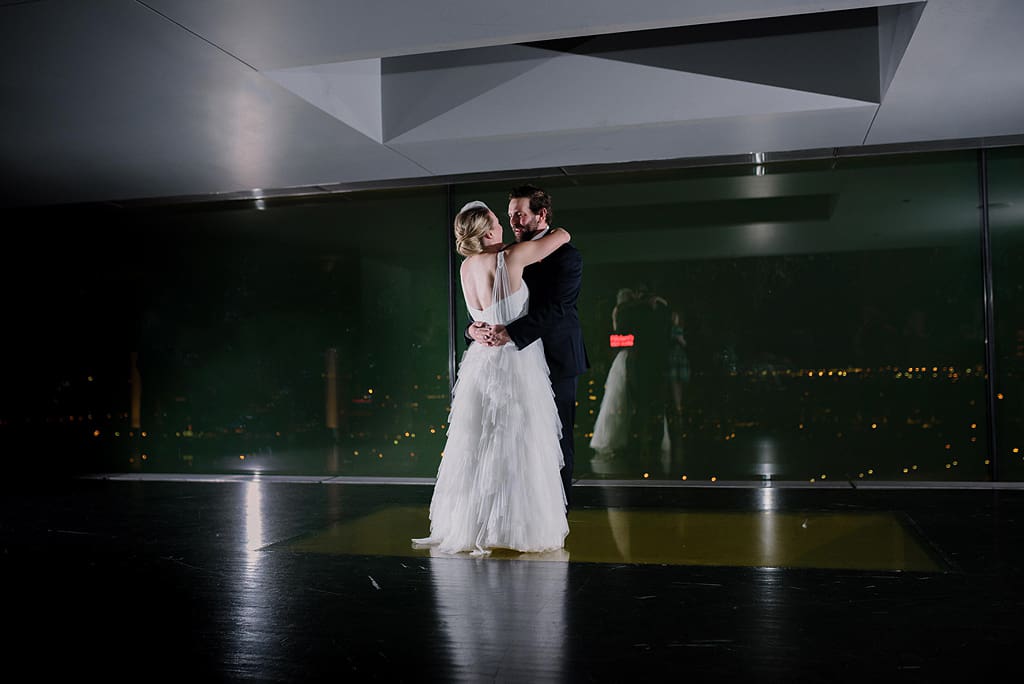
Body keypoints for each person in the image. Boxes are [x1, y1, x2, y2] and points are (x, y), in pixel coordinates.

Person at [412, 200, 572, 556]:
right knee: (518, 441)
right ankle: (516, 526)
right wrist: (548, 230)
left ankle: (472, 523)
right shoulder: (510, 258)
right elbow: (561, 236)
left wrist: (471, 329)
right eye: (499, 223)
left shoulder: (466, 268)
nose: (505, 226)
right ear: (487, 232)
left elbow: (478, 316)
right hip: (515, 360)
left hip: (481, 363)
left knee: (478, 443)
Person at [469, 185, 590, 508]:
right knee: (515, 438)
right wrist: (473, 329)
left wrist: (510, 334)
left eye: (520, 214)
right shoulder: (505, 252)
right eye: (509, 216)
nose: (514, 222)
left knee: (556, 439)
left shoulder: (567, 256)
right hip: (515, 363)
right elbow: (489, 306)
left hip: (557, 359)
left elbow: (560, 308)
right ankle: (519, 509)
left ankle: (556, 511)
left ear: (542, 214)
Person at [589, 287, 638, 466]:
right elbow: (617, 337)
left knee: (616, 398)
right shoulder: (622, 312)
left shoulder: (620, 311)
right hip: (625, 356)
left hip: (622, 356)